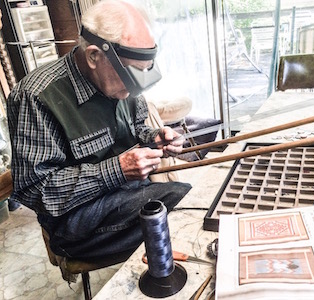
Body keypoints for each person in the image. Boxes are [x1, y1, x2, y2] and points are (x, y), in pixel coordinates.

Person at [6, 0, 191, 259]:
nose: (133, 88)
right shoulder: (35, 96)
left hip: (129, 195)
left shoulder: (123, 80)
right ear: (95, 56)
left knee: (189, 203)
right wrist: (116, 170)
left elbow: (136, 127)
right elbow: (34, 190)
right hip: (76, 221)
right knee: (183, 200)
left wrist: (155, 139)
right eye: (131, 75)